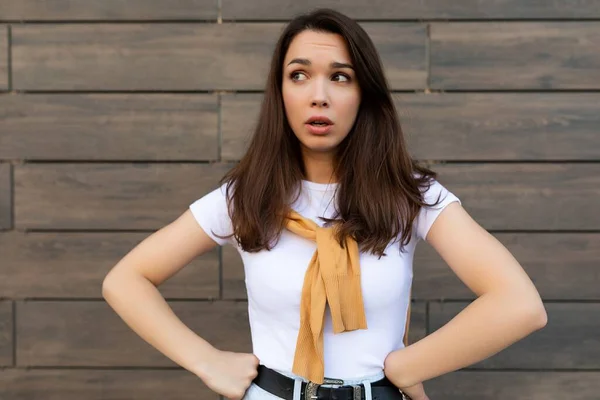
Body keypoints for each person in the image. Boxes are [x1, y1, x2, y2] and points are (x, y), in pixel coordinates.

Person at [102, 8, 548, 400]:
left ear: (364, 95)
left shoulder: (410, 195)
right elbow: (126, 280)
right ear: (280, 93)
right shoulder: (245, 197)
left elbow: (518, 304)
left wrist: (407, 367)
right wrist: (205, 360)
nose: (320, 95)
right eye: (299, 75)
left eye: (340, 76)